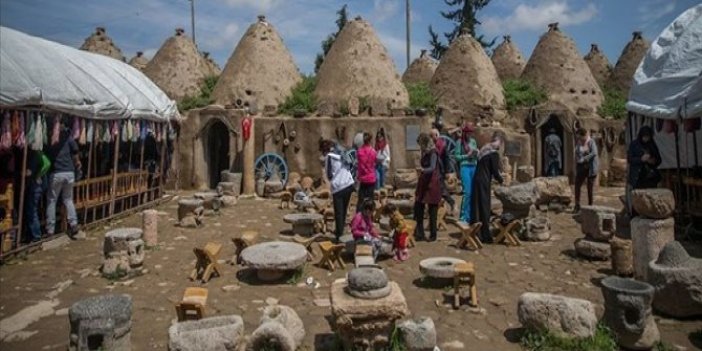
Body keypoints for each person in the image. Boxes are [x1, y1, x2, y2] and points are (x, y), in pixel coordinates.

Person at [46, 117, 81, 238]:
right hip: (69, 172)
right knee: (68, 199)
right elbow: (75, 151)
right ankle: (74, 223)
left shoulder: (50, 137)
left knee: (52, 200)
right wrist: (77, 163)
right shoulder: (67, 136)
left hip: (56, 173)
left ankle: (50, 230)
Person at [320, 139, 355, 242]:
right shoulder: (341, 153)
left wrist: (333, 180)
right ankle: (341, 230)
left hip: (338, 187)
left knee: (339, 212)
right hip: (348, 183)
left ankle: (339, 236)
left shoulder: (329, 157)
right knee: (344, 210)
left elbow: (329, 174)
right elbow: (351, 165)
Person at [473, 133, 504, 243]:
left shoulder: (484, 150)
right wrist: (502, 180)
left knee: (477, 206)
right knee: (484, 207)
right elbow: (495, 172)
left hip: (476, 179)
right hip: (484, 181)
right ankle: (486, 236)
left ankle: (476, 233)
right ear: (499, 143)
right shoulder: (493, 153)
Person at [414, 133, 442, 242]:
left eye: (421, 144)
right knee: (418, 206)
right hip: (424, 183)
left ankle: (433, 234)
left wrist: (422, 170)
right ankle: (420, 232)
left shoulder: (433, 153)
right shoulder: (425, 152)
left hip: (432, 183)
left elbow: (432, 167)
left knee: (432, 210)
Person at [627, 126, 661, 215]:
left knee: (649, 200)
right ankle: (635, 219)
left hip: (649, 177)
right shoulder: (634, 144)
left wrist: (652, 161)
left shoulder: (652, 144)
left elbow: (659, 160)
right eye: (645, 136)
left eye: (648, 137)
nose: (646, 139)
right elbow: (630, 159)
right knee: (637, 199)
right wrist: (641, 159)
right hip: (637, 177)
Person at [453, 123, 478, 223]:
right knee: (467, 192)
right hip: (465, 167)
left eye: (471, 133)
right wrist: (467, 155)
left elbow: (475, 153)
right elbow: (456, 157)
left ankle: (471, 214)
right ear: (465, 133)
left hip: (474, 166)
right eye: (469, 133)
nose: (470, 135)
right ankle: (463, 216)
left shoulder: (473, 141)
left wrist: (476, 153)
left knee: (474, 192)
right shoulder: (459, 142)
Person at [24, 150, 49, 243]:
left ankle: (36, 235)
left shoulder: (34, 155)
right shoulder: (40, 153)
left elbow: (29, 172)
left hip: (35, 186)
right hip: (40, 185)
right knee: (33, 209)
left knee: (32, 210)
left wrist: (22, 172)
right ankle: (33, 234)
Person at [431, 128, 456, 216]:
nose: (431, 138)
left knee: (441, 189)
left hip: (440, 171)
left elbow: (447, 159)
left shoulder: (442, 145)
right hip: (434, 171)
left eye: (432, 136)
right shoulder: (433, 145)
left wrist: (448, 172)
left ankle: (452, 203)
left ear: (437, 135)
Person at [573, 128, 599, 212]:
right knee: (577, 184)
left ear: (584, 135)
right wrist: (577, 157)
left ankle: (590, 206)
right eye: (578, 138)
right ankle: (577, 205)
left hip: (590, 167)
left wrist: (584, 158)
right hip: (581, 167)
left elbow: (594, 153)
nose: (579, 139)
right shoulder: (579, 142)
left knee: (590, 187)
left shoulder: (591, 142)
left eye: (580, 137)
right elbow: (577, 152)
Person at [356, 132, 377, 212]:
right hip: (371, 178)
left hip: (362, 178)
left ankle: (359, 215)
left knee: (361, 199)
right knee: (370, 198)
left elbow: (358, 163)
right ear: (370, 140)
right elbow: (374, 162)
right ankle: (370, 216)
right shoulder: (373, 151)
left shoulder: (359, 151)